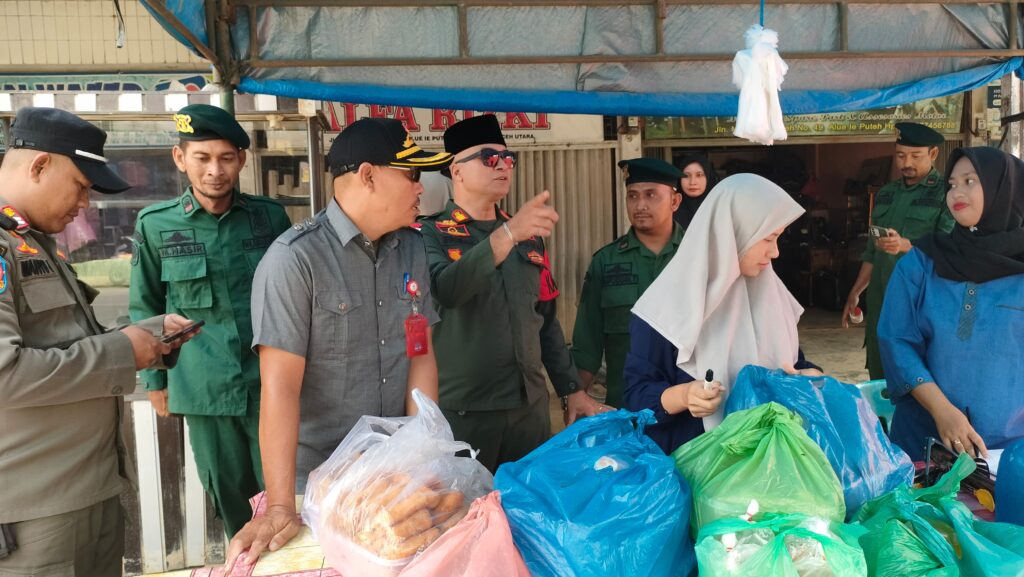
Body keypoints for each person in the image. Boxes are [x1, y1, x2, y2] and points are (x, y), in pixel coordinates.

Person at [224, 118, 450, 569]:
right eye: (411, 175)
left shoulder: (411, 249)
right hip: (322, 483)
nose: (420, 188)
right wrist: (281, 506)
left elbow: (420, 353)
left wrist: (424, 456)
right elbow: (280, 389)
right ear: (368, 175)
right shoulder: (295, 260)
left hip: (393, 478)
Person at [0, 107, 194, 576]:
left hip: (91, 491)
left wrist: (145, 337)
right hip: (34, 512)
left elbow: (64, 343)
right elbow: (5, 373)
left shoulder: (34, 242)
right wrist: (122, 350)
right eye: (81, 186)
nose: (85, 204)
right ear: (39, 165)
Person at [129, 104, 291, 537]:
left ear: (242, 159)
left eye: (225, 158)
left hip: (271, 384)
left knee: (285, 494)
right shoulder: (155, 225)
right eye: (202, 158)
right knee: (230, 496)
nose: (215, 170)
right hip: (203, 387)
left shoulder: (269, 217)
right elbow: (145, 307)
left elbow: (295, 296)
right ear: (180, 158)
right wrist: (155, 382)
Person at [419, 114, 603, 473]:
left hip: (528, 412)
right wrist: (506, 236)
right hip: (465, 415)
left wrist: (571, 388)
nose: (503, 165)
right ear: (457, 171)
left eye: (508, 158)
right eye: (489, 158)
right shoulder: (430, 234)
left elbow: (545, 320)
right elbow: (446, 290)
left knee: (528, 503)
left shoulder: (527, 236)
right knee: (465, 506)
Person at [625, 174, 822, 454]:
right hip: (695, 465)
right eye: (769, 238)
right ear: (734, 234)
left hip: (771, 460)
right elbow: (635, 397)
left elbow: (794, 363)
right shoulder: (664, 309)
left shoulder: (771, 297)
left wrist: (809, 374)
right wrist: (684, 396)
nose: (775, 252)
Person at [879, 146, 1024, 461]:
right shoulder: (922, 262)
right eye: (952, 184)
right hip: (925, 445)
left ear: (1002, 189)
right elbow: (896, 339)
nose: (956, 192)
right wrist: (941, 410)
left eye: (970, 181)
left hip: (1010, 453)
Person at [842, 122, 955, 379]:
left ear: (933, 154)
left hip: (919, 303)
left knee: (914, 374)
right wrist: (856, 292)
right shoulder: (886, 194)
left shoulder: (945, 195)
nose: (907, 163)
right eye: (901, 155)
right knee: (880, 375)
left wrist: (906, 245)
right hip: (881, 301)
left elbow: (949, 246)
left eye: (915, 156)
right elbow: (872, 253)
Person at [572, 158, 684, 408]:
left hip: (690, 407)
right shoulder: (606, 261)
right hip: (625, 405)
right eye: (632, 196)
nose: (640, 205)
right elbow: (587, 342)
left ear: (675, 201)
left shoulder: (698, 255)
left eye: (651, 195)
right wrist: (576, 395)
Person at [673, 153, 718, 230]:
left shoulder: (720, 209)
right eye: (686, 175)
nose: (692, 182)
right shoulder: (670, 210)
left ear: (708, 178)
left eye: (699, 175)